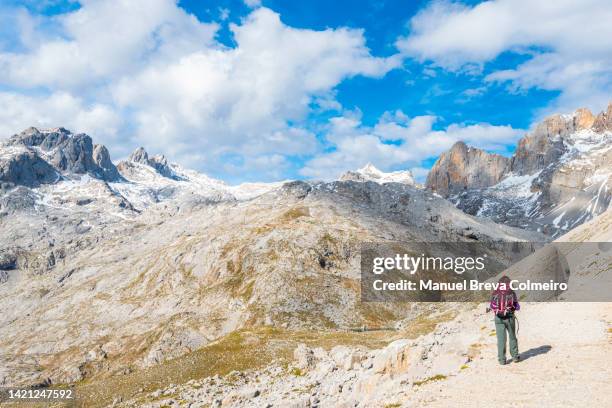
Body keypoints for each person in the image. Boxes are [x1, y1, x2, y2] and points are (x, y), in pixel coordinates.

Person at [490, 275, 520, 365]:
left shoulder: (495, 293)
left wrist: (499, 310)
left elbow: (492, 306)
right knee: (512, 337)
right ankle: (515, 357)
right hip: (510, 317)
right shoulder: (511, 293)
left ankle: (502, 360)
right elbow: (517, 306)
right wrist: (513, 308)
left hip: (498, 318)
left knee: (501, 340)